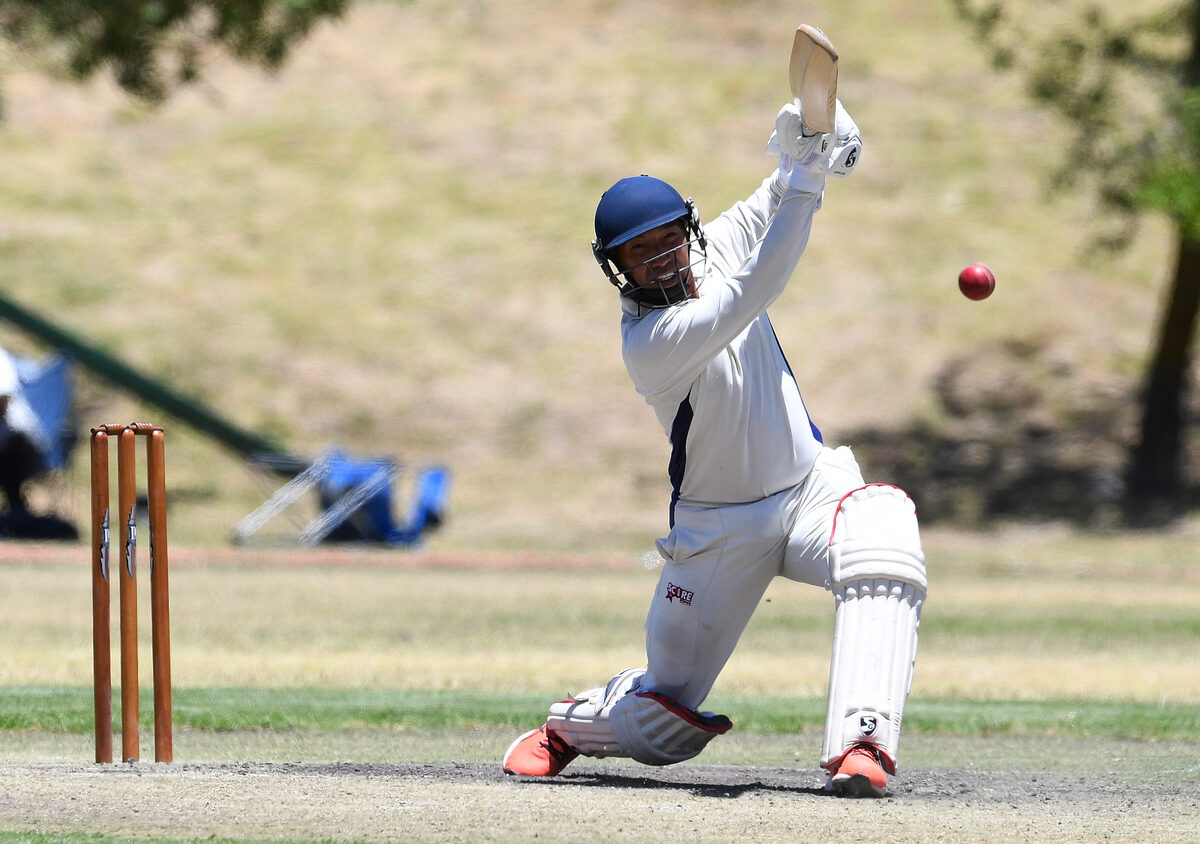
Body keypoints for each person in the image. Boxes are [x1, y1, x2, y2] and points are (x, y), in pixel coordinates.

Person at [502, 95, 927, 798]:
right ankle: (569, 727)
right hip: (720, 528)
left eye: (666, 237)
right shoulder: (651, 343)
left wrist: (812, 142)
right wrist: (810, 177)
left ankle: (862, 747)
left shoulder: (715, 244)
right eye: (637, 252)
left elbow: (774, 196)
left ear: (687, 228)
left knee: (884, 533)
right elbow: (757, 287)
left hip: (809, 489)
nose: (658, 257)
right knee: (663, 728)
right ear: (618, 269)